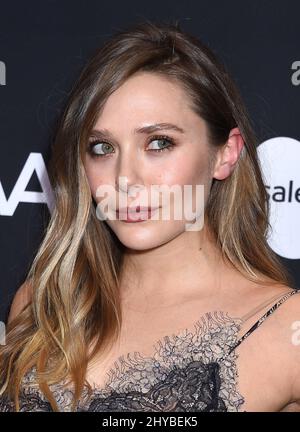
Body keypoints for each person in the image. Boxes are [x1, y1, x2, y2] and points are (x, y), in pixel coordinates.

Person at [1, 19, 300, 413]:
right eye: (102, 148)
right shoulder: (43, 305)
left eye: (159, 143)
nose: (125, 178)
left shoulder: (285, 328)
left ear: (225, 153)